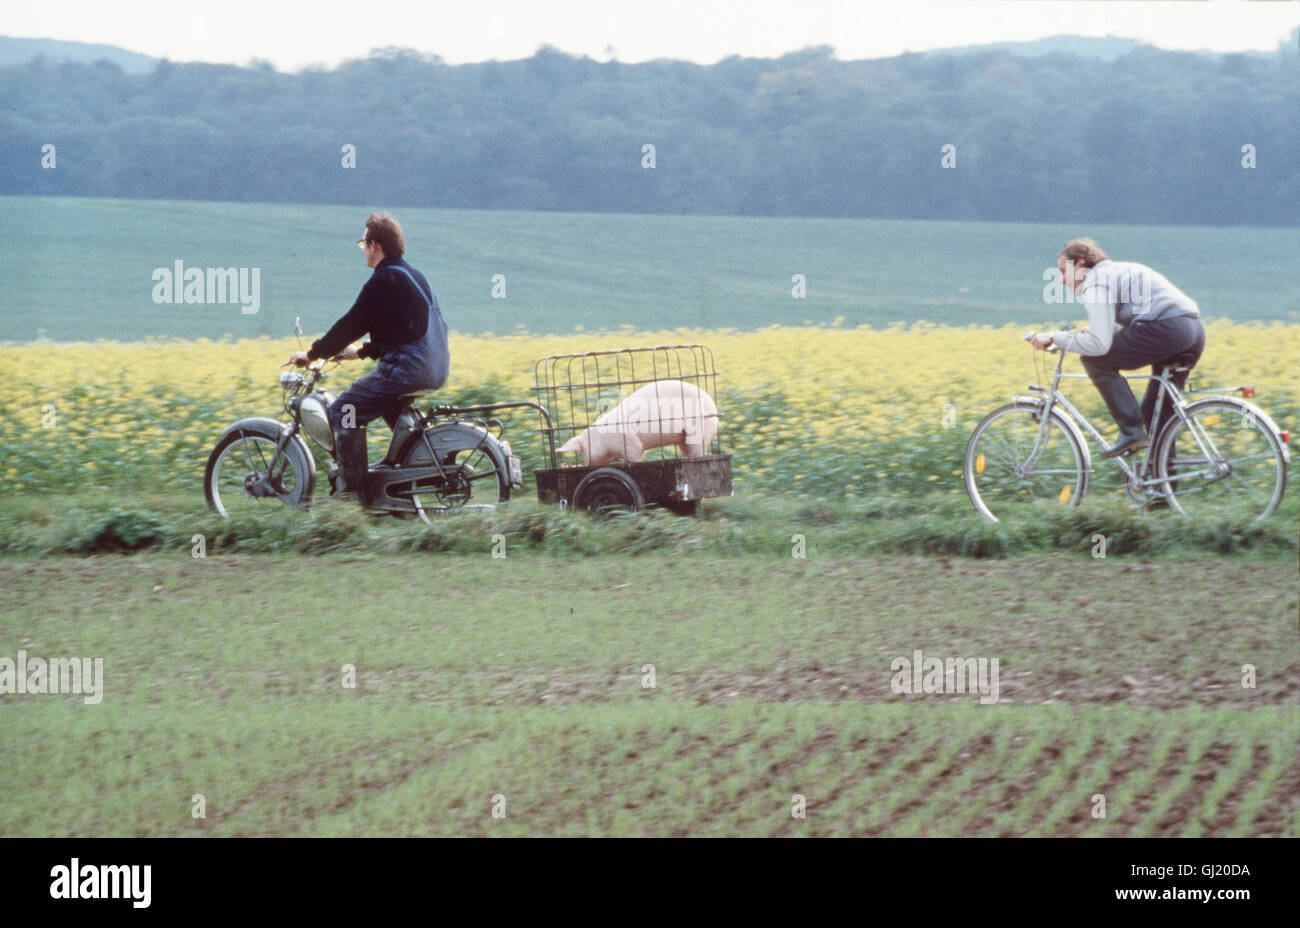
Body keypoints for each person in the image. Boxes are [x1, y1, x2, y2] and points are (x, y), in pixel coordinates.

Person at [286, 213, 449, 506]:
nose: (362, 248)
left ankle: (352, 493)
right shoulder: (411, 275)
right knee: (391, 410)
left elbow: (351, 323)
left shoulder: (384, 278)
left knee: (344, 410)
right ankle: (403, 486)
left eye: (363, 242)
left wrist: (311, 354)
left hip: (409, 369)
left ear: (375, 245)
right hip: (434, 365)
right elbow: (400, 330)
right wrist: (360, 352)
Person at [1029, 238, 1205, 459]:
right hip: (1193, 330)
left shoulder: (1096, 283)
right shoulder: (1119, 270)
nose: (1062, 280)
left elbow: (1098, 346)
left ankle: (1131, 431)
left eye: (1064, 271)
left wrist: (1054, 336)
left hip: (1167, 328)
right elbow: (1137, 313)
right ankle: (1162, 487)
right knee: (1156, 412)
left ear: (1081, 263)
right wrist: (1106, 329)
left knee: (1094, 360)